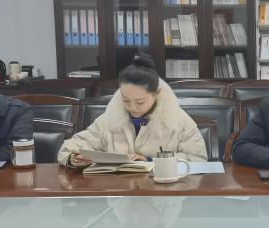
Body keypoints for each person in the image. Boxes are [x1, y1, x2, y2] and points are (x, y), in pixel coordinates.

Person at [58, 54, 207, 168]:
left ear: (156, 94)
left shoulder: (178, 120)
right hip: (119, 192)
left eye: (140, 102)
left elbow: (198, 159)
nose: (132, 107)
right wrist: (73, 158)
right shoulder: (110, 118)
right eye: (125, 100)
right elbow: (72, 146)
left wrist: (150, 161)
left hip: (162, 193)